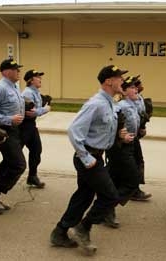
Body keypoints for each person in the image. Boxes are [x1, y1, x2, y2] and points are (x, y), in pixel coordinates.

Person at [49, 65, 133, 255]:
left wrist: (117, 135)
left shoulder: (110, 102)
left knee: (83, 196)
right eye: (119, 78)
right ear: (109, 81)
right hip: (88, 157)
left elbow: (103, 127)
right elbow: (74, 130)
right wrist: (86, 158)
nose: (123, 81)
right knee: (110, 196)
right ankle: (83, 228)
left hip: (96, 155)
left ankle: (60, 232)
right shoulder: (96, 104)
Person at [0, 58, 26, 214]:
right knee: (18, 164)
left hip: (15, 130)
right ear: (6, 72)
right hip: (3, 130)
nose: (18, 72)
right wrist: (9, 119)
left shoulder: (14, 86)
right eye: (16, 69)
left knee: (9, 163)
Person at [104, 76, 141, 228]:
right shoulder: (121, 105)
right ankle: (105, 206)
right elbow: (109, 123)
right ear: (124, 92)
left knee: (115, 179)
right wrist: (120, 134)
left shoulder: (133, 104)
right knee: (133, 179)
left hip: (130, 144)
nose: (136, 89)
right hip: (119, 147)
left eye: (135, 87)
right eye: (132, 87)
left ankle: (106, 208)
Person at [20, 69, 51, 188]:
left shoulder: (36, 92)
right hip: (24, 126)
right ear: (30, 80)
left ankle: (32, 176)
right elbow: (30, 113)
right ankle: (7, 175)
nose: (40, 79)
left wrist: (44, 103)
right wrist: (45, 109)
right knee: (16, 155)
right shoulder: (28, 93)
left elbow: (36, 109)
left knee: (36, 150)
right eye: (37, 77)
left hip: (31, 126)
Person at [130, 75, 152, 201]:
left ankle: (134, 189)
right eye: (136, 85)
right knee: (135, 162)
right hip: (129, 137)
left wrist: (142, 126)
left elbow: (141, 115)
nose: (140, 86)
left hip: (134, 136)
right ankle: (134, 190)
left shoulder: (138, 98)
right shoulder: (130, 100)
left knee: (135, 162)